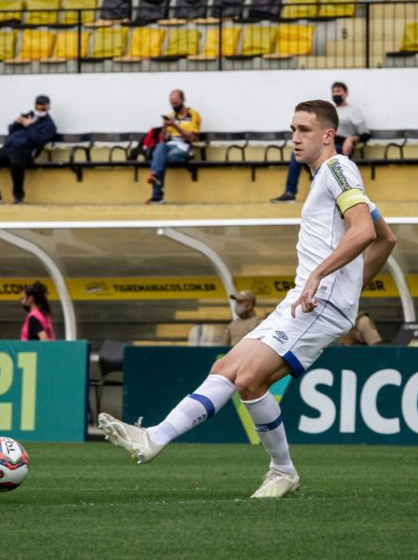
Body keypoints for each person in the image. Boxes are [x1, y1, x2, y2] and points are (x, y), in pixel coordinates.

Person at [99, 100, 397, 498]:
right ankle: (155, 437)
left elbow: (362, 232)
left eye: (305, 129)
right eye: (292, 128)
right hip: (309, 297)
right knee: (226, 367)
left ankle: (282, 470)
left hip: (317, 302)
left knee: (250, 378)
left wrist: (323, 280)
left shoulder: (338, 168)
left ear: (328, 135)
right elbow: (385, 237)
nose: (295, 137)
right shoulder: (328, 178)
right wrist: (349, 289)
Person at [271, 82, 368, 203]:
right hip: (322, 141)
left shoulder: (354, 111)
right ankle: (290, 193)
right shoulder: (330, 111)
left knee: (324, 156)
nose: (335, 94)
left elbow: (365, 134)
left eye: (338, 91)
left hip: (341, 145)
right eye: (333, 91)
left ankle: (326, 192)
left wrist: (351, 139)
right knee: (296, 154)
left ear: (346, 93)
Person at [0, 95, 57, 205]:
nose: (40, 109)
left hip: (24, 152)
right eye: (38, 105)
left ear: (48, 107)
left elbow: (39, 141)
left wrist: (29, 126)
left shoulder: (49, 125)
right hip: (8, 148)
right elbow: (11, 131)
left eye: (43, 106)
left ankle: (18, 196)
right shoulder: (27, 116)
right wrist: (17, 122)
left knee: (15, 162)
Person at [146, 89, 202, 205]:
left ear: (183, 100)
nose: (173, 106)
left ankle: (157, 195)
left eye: (176, 103)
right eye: (171, 103)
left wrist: (176, 126)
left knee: (158, 158)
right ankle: (155, 177)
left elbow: (191, 137)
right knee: (160, 147)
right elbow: (163, 138)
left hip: (183, 148)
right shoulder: (171, 116)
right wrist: (164, 127)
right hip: (169, 146)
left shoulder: (193, 115)